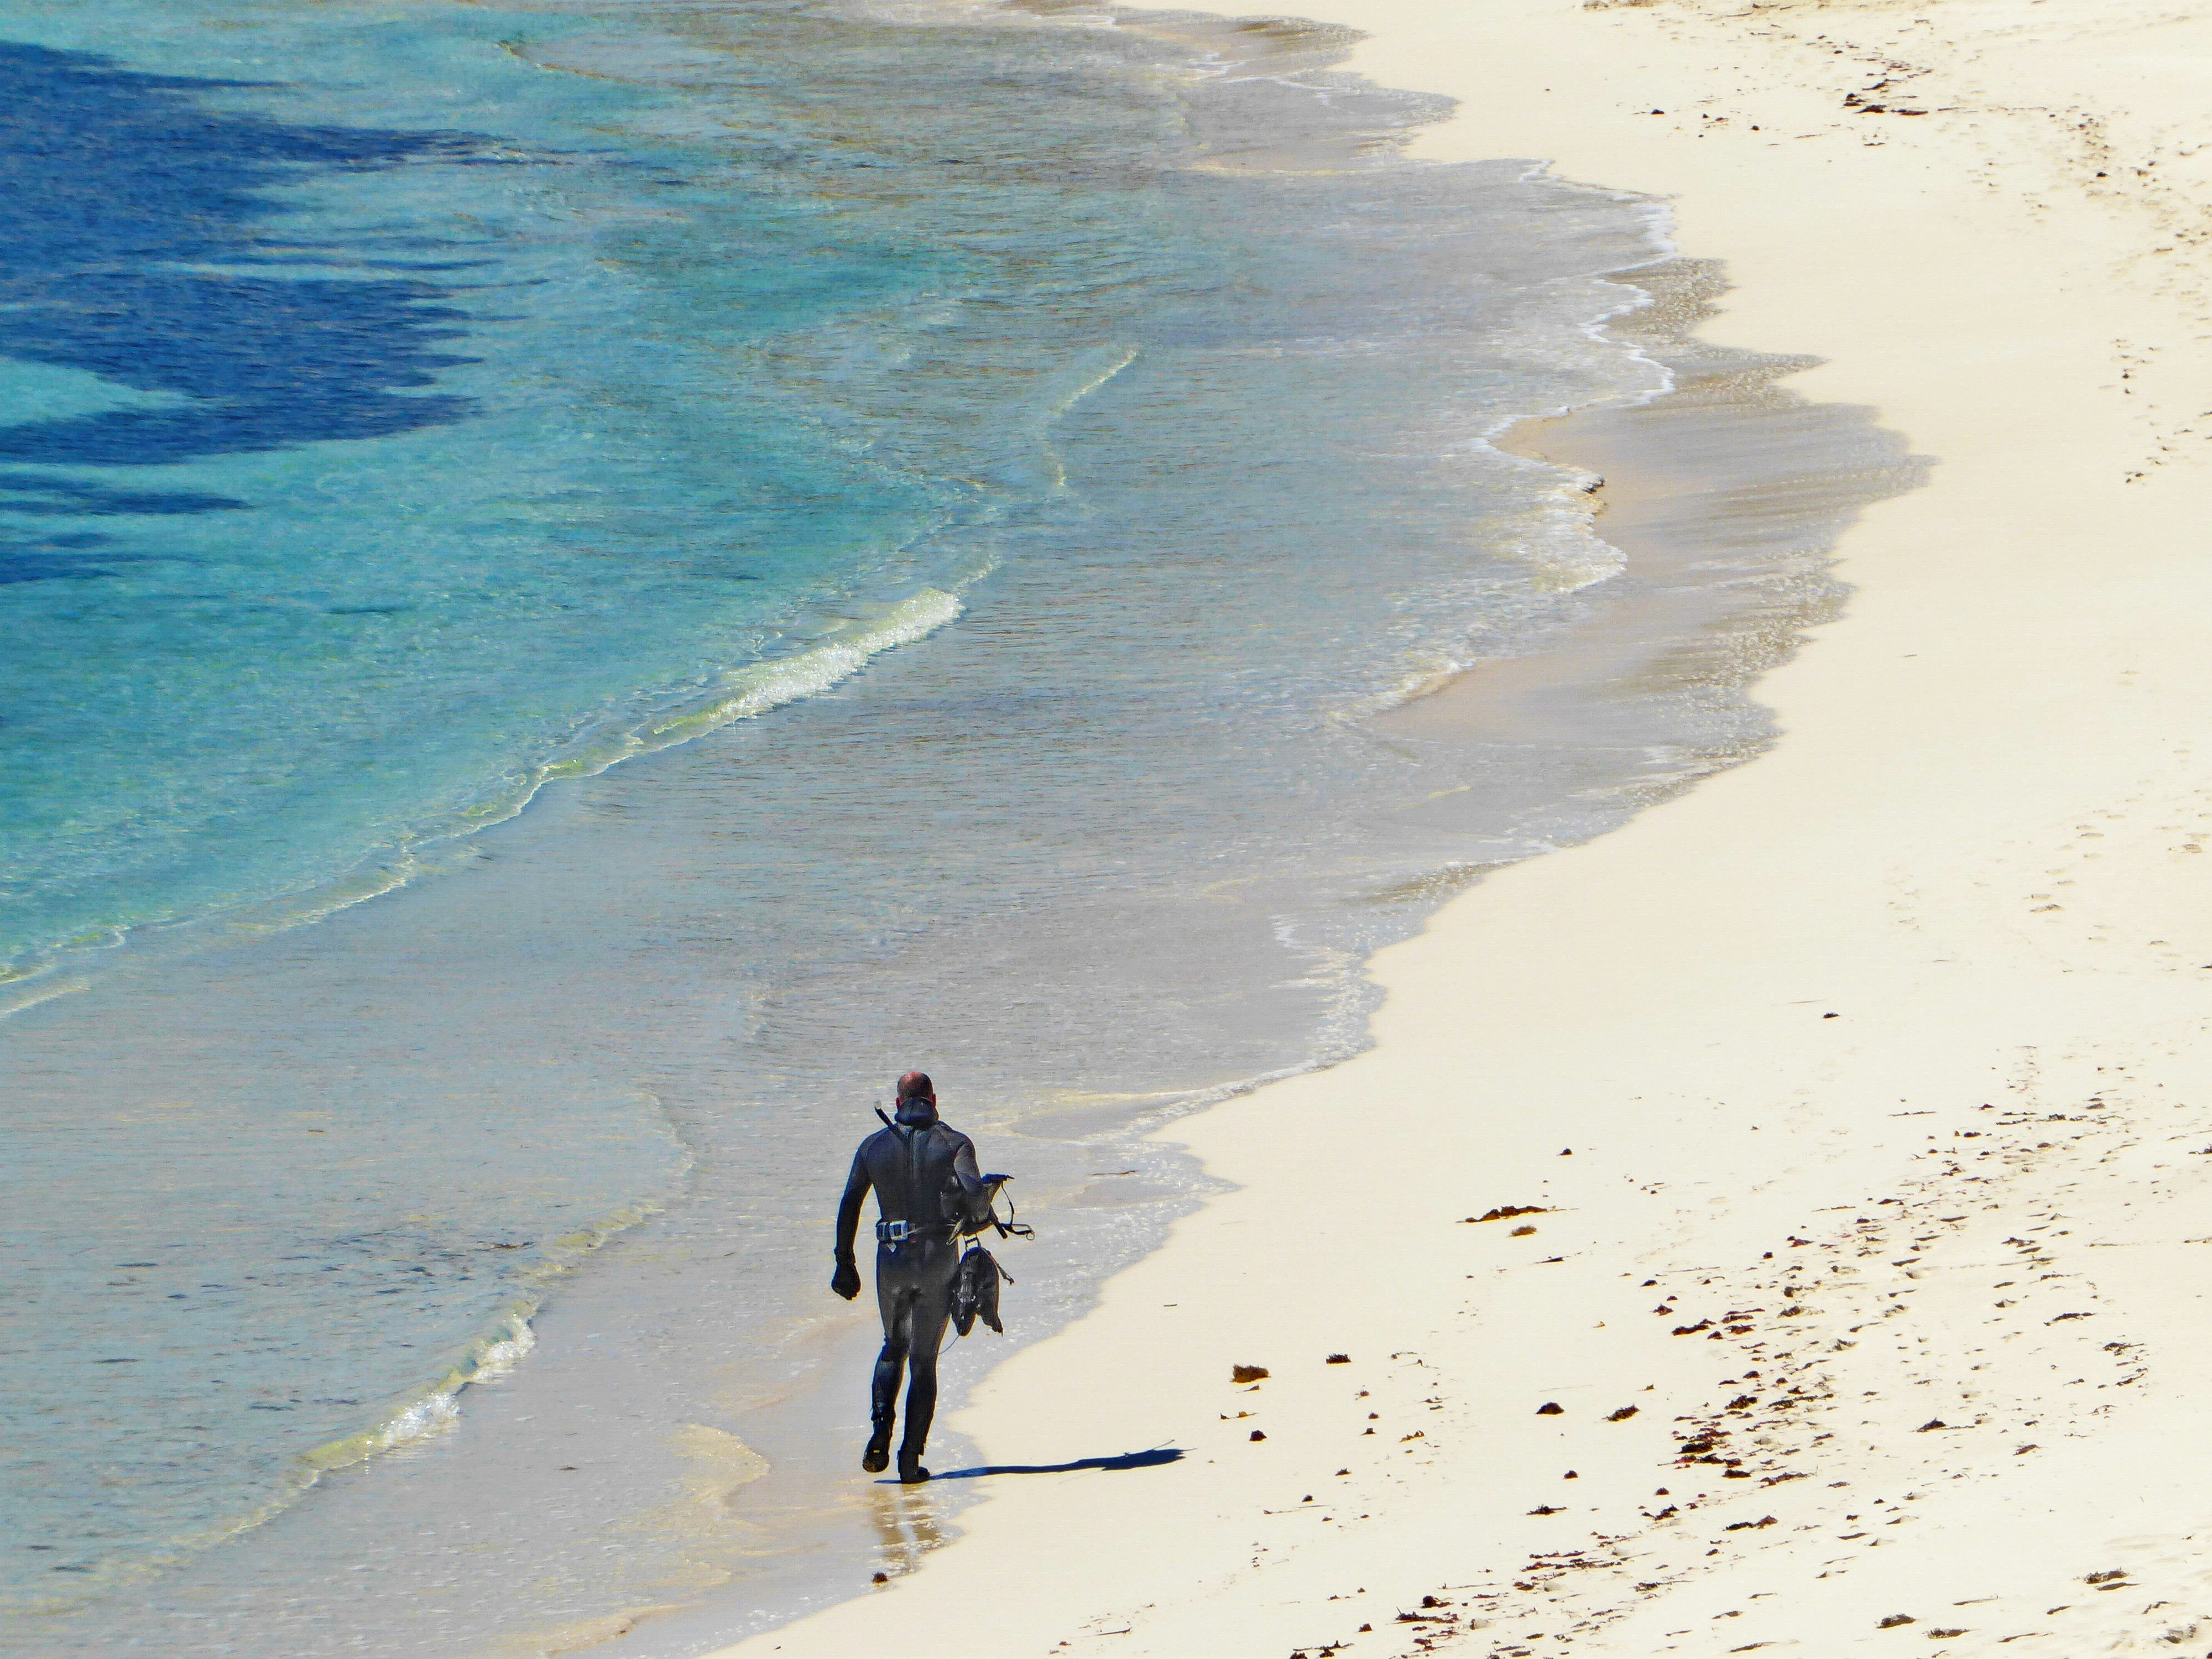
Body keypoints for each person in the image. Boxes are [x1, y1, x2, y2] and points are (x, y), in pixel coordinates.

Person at [831, 1070, 997, 1483]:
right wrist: (979, 1213)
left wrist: (844, 1263)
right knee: (923, 1361)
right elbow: (975, 1195)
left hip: (891, 1260)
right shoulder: (954, 1143)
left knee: (893, 1348)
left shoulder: (873, 1146)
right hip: (936, 1257)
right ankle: (909, 1460)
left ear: (899, 1102)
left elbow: (850, 1203)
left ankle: (879, 1435)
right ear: (934, 1099)